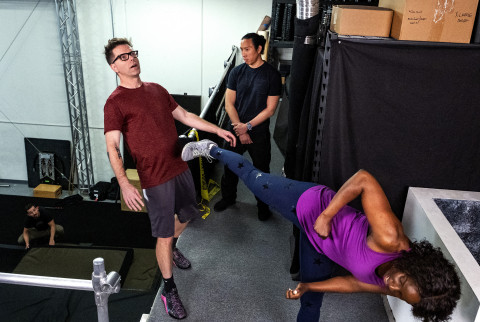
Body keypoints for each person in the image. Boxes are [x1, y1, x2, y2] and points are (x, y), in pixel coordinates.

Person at [182, 140, 461, 322]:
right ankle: (212, 150)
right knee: (255, 182)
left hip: (318, 245)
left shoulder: (393, 282)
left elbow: (352, 284)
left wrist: (308, 286)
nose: (392, 286)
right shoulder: (390, 238)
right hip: (311, 206)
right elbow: (364, 178)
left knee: (311, 299)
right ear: (416, 267)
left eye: (400, 294)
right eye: (401, 281)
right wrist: (327, 216)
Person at [103, 38, 236, 320]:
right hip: (155, 178)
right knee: (163, 235)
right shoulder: (114, 103)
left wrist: (217, 130)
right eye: (123, 57)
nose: (131, 59)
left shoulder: (156, 90)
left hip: (179, 166)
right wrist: (125, 183)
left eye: (133, 53)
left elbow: (185, 115)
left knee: (188, 216)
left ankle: (173, 249)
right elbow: (112, 146)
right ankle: (169, 289)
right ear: (114, 66)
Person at [214, 32, 282, 221]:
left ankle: (262, 206)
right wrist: (239, 128)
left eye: (247, 49)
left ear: (259, 49)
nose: (243, 53)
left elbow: (270, 110)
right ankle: (228, 198)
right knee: (229, 166)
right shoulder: (236, 72)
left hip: (258, 132)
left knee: (261, 171)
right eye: (242, 49)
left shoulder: (272, 75)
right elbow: (229, 104)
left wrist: (248, 127)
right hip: (235, 130)